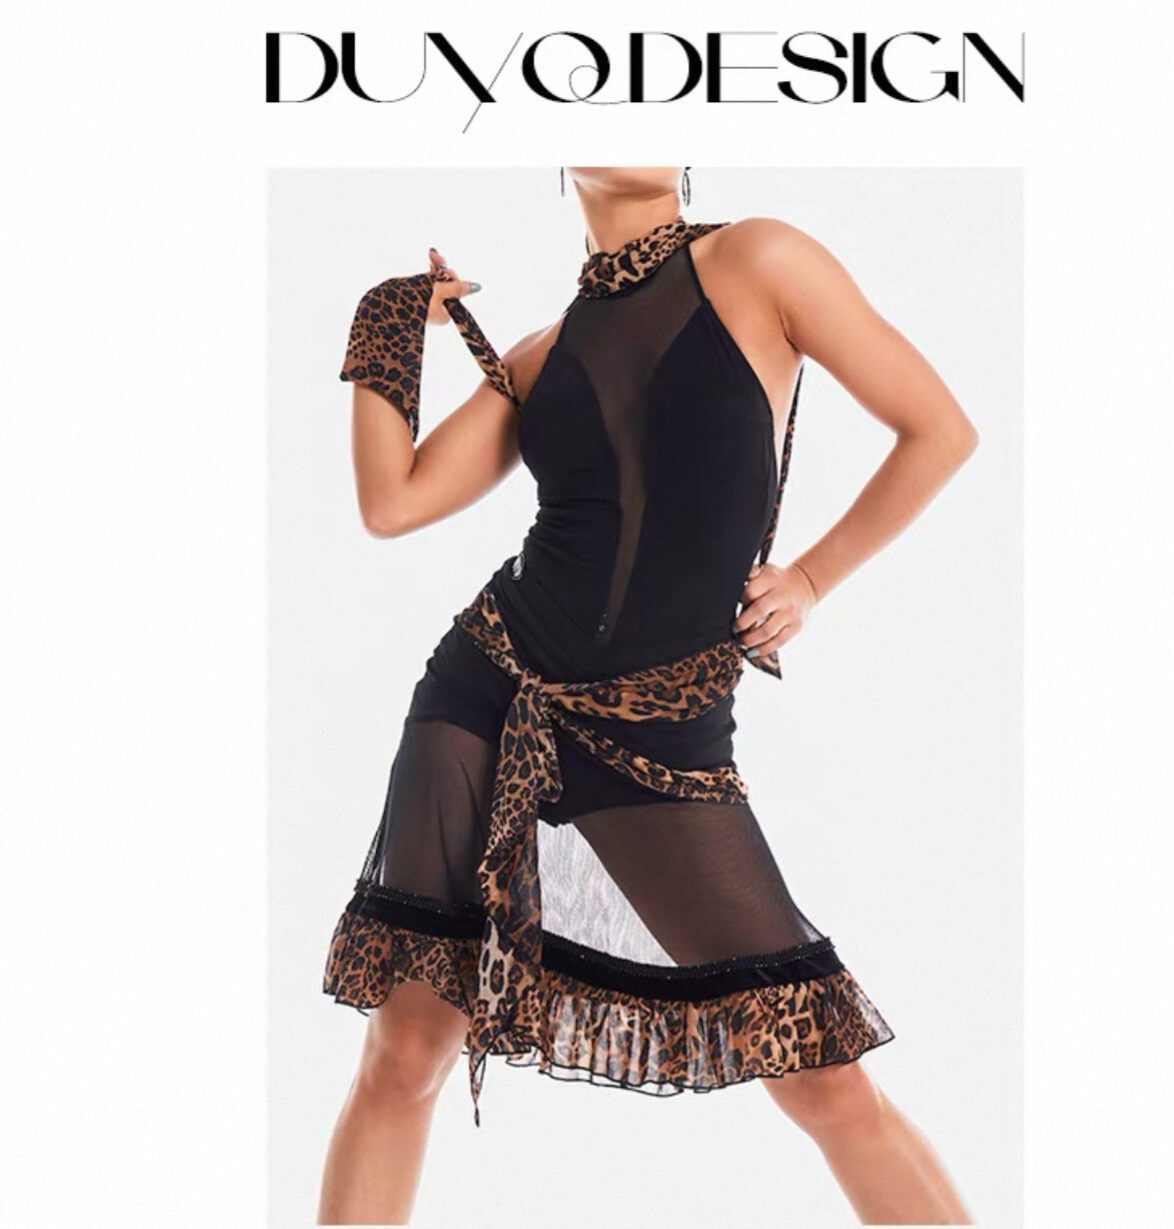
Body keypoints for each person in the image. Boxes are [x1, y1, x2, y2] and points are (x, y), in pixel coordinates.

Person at [316, 166, 978, 1225]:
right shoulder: (539, 353)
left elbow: (938, 428)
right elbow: (390, 503)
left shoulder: (759, 259)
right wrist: (389, 318)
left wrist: (810, 578)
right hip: (488, 683)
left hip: (659, 728)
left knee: (820, 1074)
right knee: (405, 1049)